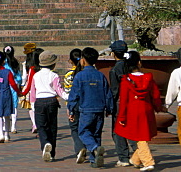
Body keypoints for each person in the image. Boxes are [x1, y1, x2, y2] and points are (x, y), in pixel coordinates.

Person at [114, 50, 165, 171]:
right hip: (146, 109)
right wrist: (158, 107)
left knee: (139, 138)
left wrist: (121, 117)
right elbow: (155, 95)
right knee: (143, 135)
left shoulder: (126, 81)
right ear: (139, 63)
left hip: (132, 111)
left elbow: (124, 101)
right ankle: (135, 159)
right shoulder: (148, 78)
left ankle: (148, 162)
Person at [67, 46, 112, 168]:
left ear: (83, 60)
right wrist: (109, 108)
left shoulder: (80, 76)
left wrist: (70, 109)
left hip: (86, 109)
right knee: (96, 134)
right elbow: (107, 94)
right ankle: (94, 159)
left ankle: (94, 148)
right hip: (99, 109)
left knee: (83, 132)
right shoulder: (100, 76)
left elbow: (74, 95)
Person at [22, 51, 67, 162]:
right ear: (53, 64)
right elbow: (59, 90)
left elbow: (33, 92)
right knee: (52, 127)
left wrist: (32, 105)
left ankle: (45, 144)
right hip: (52, 101)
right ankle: (52, 153)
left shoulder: (36, 75)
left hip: (39, 102)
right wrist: (68, 97)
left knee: (41, 126)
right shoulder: (54, 75)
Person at [106, 39, 133, 168]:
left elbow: (114, 90)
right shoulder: (130, 66)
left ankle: (123, 157)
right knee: (132, 128)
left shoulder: (114, 70)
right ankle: (139, 152)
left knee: (118, 131)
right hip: (132, 100)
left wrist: (109, 106)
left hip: (120, 103)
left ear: (113, 54)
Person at [62, 48, 87, 161]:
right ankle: (88, 146)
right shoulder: (86, 73)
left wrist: (69, 106)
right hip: (86, 103)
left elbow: (67, 92)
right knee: (86, 127)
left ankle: (79, 148)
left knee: (74, 128)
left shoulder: (68, 75)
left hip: (73, 104)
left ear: (70, 61)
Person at [4, 44, 23, 133]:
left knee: (5, 106)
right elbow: (19, 78)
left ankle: (5, 125)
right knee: (14, 106)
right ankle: (13, 126)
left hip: (4, 86)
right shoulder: (15, 62)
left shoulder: (3, 63)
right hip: (13, 86)